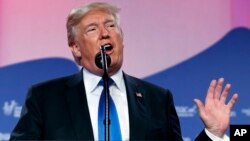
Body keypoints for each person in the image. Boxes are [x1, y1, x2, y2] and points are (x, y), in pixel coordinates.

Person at [10, 2, 238, 141]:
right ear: (76, 48)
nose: (105, 33)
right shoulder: (45, 98)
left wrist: (213, 134)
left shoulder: (157, 99)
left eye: (111, 26)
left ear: (122, 38)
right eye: (92, 29)